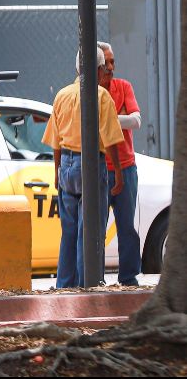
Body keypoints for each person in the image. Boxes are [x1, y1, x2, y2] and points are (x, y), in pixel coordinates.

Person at [41, 48, 125, 289]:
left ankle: (64, 286)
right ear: (98, 70)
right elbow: (109, 140)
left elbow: (55, 141)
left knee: (69, 232)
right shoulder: (100, 96)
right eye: (104, 69)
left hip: (66, 165)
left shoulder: (61, 96)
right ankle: (86, 285)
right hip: (90, 164)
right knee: (88, 232)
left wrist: (57, 171)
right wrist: (118, 172)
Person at [98, 41, 142, 286]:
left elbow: (135, 120)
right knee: (97, 228)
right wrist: (120, 118)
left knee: (127, 227)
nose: (112, 67)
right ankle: (97, 278)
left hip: (126, 167)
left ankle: (129, 278)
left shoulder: (123, 87)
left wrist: (108, 119)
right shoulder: (90, 92)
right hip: (101, 168)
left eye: (113, 61)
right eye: (107, 62)